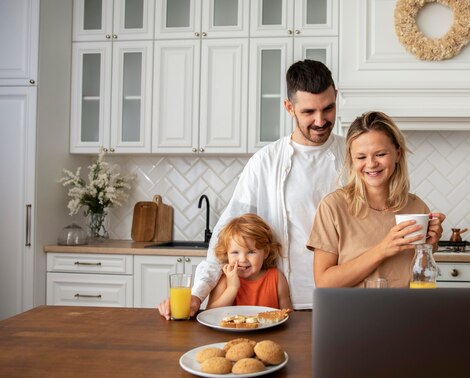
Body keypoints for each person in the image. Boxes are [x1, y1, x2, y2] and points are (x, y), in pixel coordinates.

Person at [158, 59, 345, 319]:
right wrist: (197, 293)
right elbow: (226, 234)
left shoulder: (354, 155)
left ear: (336, 97)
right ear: (289, 107)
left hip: (343, 298)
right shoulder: (265, 162)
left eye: (328, 108)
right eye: (308, 112)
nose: (321, 120)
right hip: (284, 303)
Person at [307, 111, 444, 288]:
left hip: (406, 313)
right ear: (352, 160)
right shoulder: (333, 207)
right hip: (353, 314)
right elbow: (324, 283)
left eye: (380, 154)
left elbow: (421, 279)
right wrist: (383, 249)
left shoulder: (417, 208)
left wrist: (428, 246)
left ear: (398, 154)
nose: (371, 164)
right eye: (361, 157)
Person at [206, 214, 292, 310]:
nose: (242, 259)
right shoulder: (224, 279)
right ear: (227, 253)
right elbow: (210, 312)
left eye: (251, 252)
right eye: (235, 252)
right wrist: (232, 288)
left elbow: (288, 314)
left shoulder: (277, 278)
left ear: (265, 253)